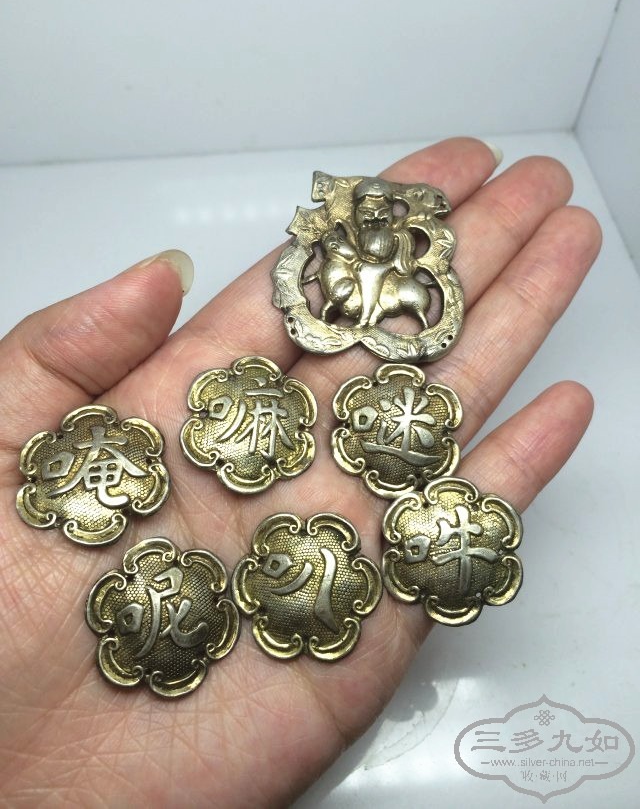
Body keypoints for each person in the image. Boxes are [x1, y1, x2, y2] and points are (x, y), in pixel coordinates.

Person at [0, 138, 600, 806]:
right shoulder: (331, 254)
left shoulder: (406, 262)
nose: (374, 224)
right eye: (364, 216)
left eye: (383, 218)